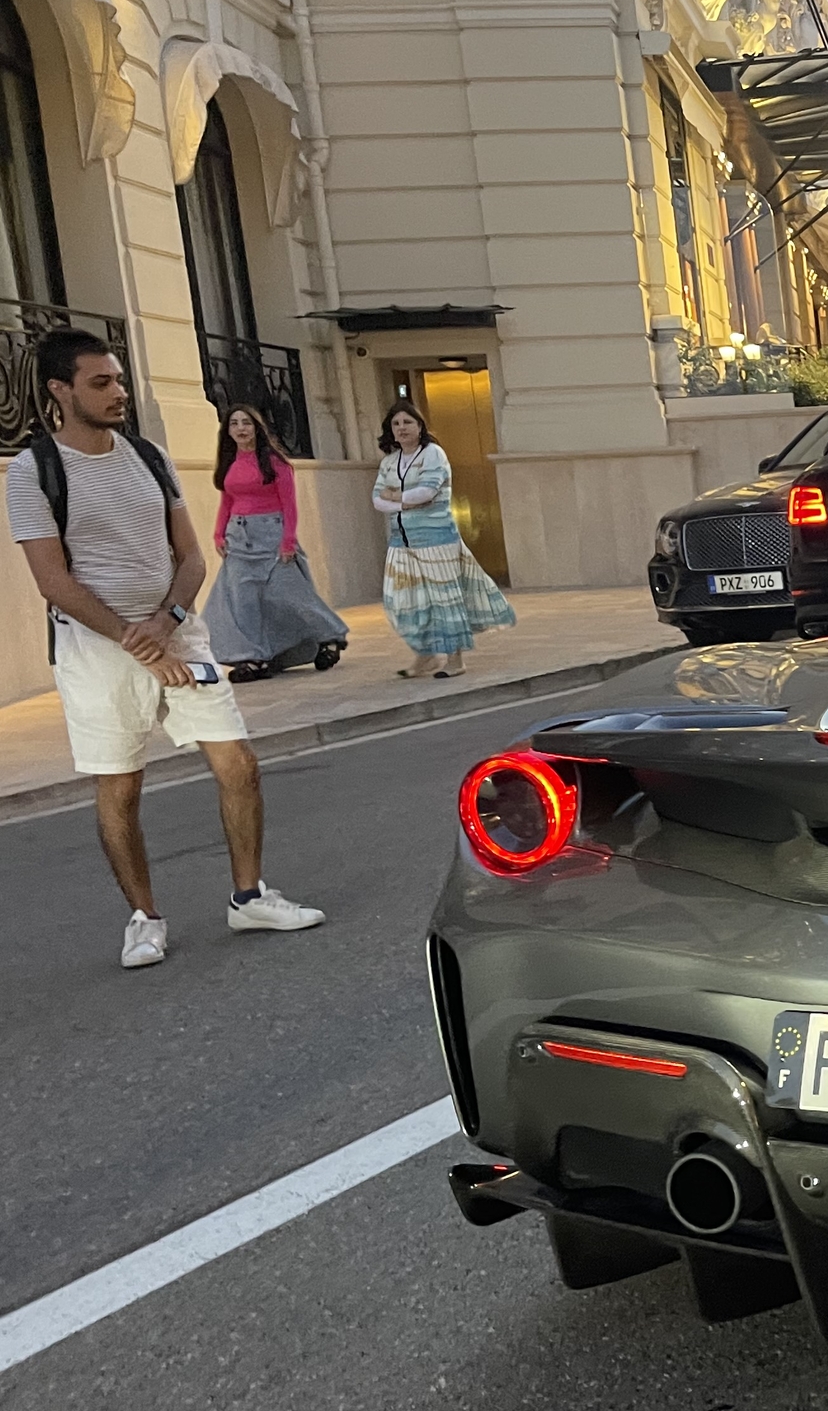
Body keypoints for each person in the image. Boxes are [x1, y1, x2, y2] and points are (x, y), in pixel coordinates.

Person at [6, 330, 326, 967]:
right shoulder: (33, 471)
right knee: (120, 786)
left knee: (238, 763)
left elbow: (189, 556)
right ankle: (144, 918)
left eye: (119, 379)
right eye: (102, 383)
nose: (119, 392)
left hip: (179, 632)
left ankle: (249, 897)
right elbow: (54, 582)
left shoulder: (148, 457)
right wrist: (141, 642)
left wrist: (168, 620)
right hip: (99, 651)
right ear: (59, 391)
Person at [204, 405, 349, 682]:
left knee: (288, 595)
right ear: (228, 431)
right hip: (238, 540)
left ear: (257, 427)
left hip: (271, 534)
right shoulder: (229, 461)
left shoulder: (275, 462)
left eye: (246, 423)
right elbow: (227, 501)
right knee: (243, 601)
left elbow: (289, 504)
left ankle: (329, 637)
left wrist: (288, 541)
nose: (241, 429)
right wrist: (218, 534)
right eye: (234, 424)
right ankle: (255, 657)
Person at [374, 404, 514, 678]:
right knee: (405, 600)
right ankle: (425, 655)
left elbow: (426, 492)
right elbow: (377, 499)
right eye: (396, 424)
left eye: (407, 422)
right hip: (402, 541)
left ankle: (454, 659)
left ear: (420, 426)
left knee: (444, 599)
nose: (401, 428)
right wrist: (403, 501)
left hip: (436, 538)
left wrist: (396, 497)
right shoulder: (389, 462)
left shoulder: (433, 455)